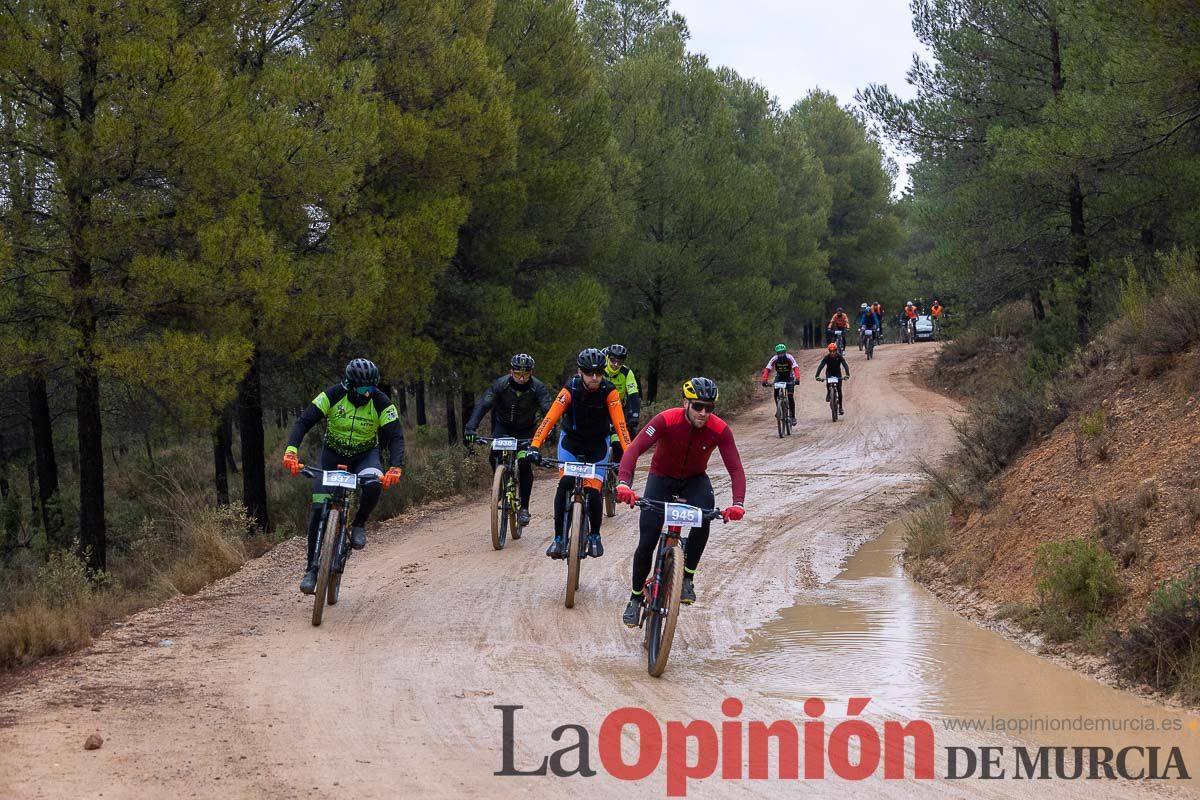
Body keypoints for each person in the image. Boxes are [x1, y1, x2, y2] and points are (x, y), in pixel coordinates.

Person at [615, 378, 747, 624]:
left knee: (705, 514)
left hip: (694, 480)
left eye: (710, 408)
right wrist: (624, 483)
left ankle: (687, 577)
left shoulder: (719, 429)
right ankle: (634, 598)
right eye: (698, 406)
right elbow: (633, 450)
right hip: (661, 478)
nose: (704, 413)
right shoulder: (665, 420)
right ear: (685, 402)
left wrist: (738, 503)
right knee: (648, 539)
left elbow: (736, 468)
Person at [283, 358, 404, 594]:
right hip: (331, 457)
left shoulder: (382, 402)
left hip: (365, 456)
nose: (367, 394)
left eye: (371, 388)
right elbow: (304, 421)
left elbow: (396, 436)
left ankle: (359, 523)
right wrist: (291, 451)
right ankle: (311, 569)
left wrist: (395, 467)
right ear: (349, 384)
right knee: (318, 508)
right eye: (362, 389)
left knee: (373, 483)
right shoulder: (332, 395)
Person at [528, 348, 632, 559]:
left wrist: (629, 455)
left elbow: (621, 426)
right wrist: (534, 445)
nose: (594, 378)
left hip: (597, 445)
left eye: (599, 373)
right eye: (588, 373)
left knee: (593, 492)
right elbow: (549, 419)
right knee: (565, 484)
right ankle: (558, 539)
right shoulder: (571, 388)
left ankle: (594, 535)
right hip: (571, 443)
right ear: (579, 371)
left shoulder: (609, 391)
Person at [464, 353, 553, 527]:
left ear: (531, 373)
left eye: (526, 374)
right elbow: (483, 405)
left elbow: (548, 410)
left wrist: (549, 432)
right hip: (503, 427)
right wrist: (470, 428)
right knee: (493, 455)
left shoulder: (538, 388)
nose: (521, 378)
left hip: (527, 430)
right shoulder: (500, 385)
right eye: (518, 373)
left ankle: (525, 508)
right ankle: (501, 484)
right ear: (511, 371)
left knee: (525, 462)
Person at [602, 344, 641, 464]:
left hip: (618, 409)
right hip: (600, 408)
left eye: (619, 362)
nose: (615, 364)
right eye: (613, 360)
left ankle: (619, 470)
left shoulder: (626, 372)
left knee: (618, 443)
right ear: (608, 358)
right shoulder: (600, 369)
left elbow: (634, 395)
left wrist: (634, 415)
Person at [760, 343, 801, 424]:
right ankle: (778, 410)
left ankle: (793, 417)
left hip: (789, 377)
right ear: (776, 353)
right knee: (775, 391)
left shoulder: (789, 357)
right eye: (779, 353)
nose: (781, 355)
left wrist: (797, 379)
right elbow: (767, 369)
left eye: (782, 352)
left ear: (785, 352)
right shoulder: (774, 359)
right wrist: (764, 380)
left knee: (790, 396)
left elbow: (795, 367)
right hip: (779, 376)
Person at [814, 342, 851, 415]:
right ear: (829, 351)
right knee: (828, 382)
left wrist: (847, 374)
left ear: (836, 350)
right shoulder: (827, 357)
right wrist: (817, 375)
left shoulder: (839, 356)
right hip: (829, 373)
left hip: (837, 373)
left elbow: (845, 365)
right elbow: (821, 366)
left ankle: (840, 407)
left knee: (839, 390)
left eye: (834, 351)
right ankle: (828, 393)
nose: (832, 353)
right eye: (831, 351)